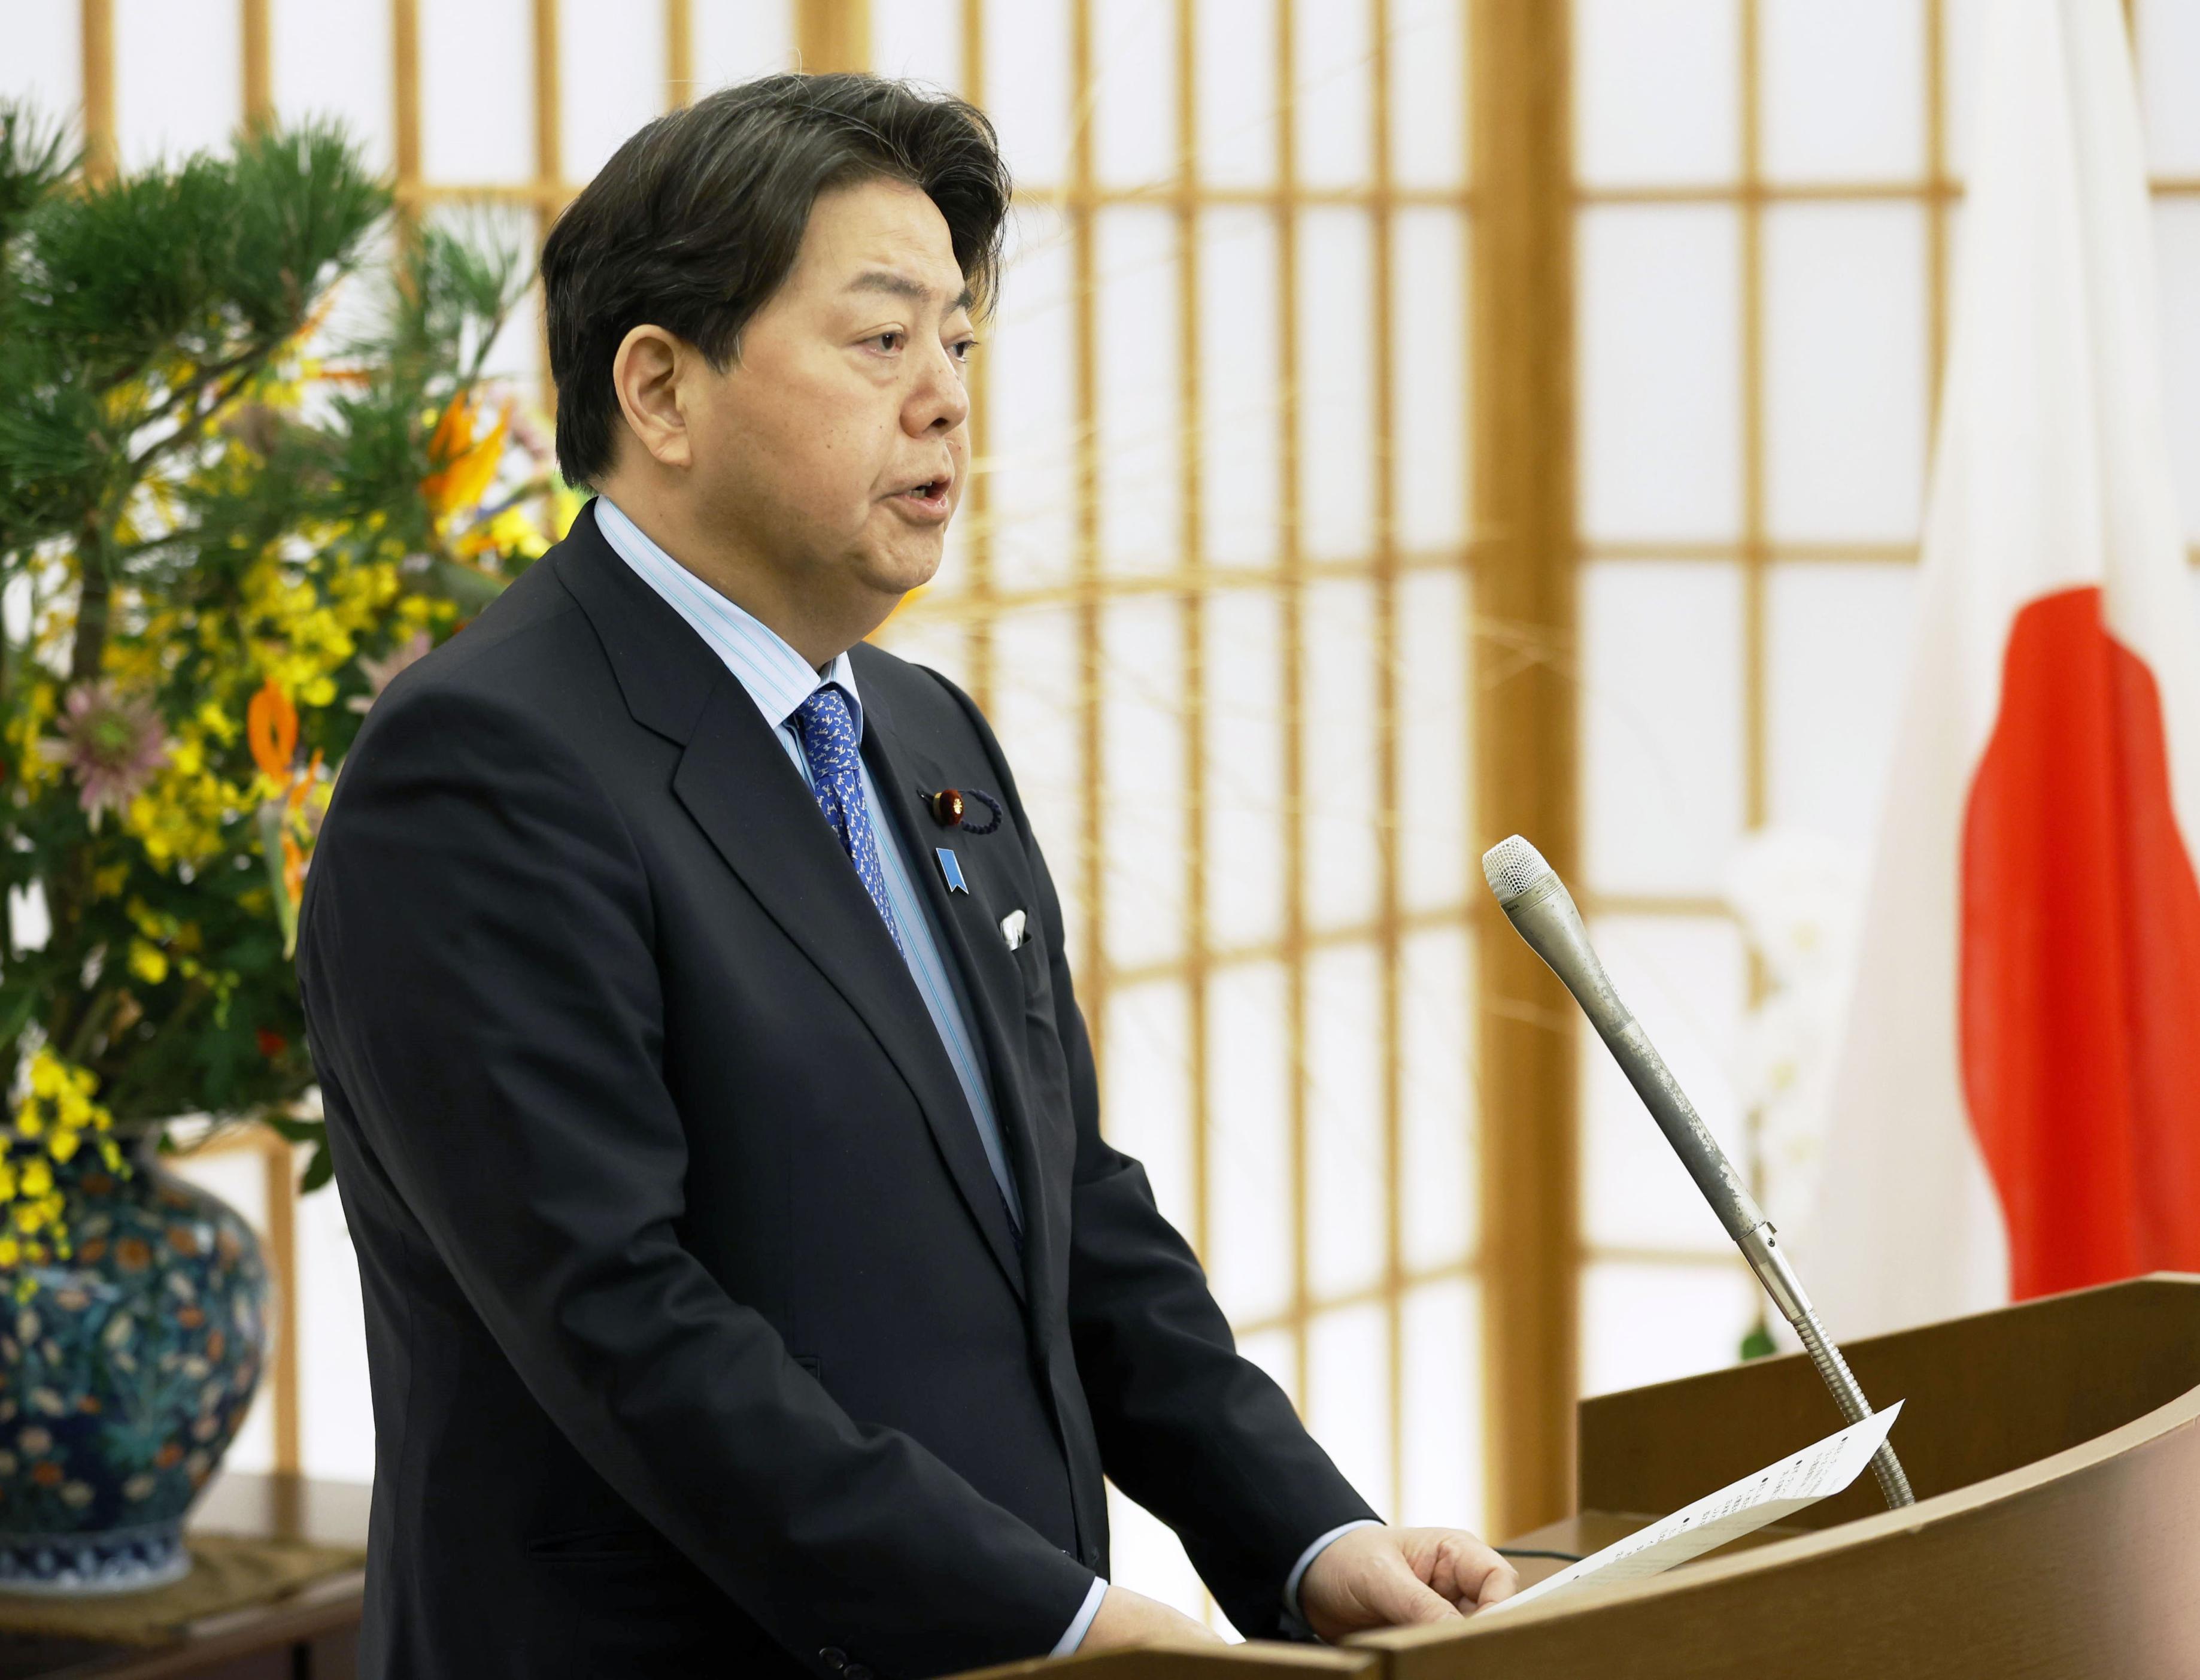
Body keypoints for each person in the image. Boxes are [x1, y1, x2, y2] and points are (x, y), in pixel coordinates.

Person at [295, 71, 1515, 1680]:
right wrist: (1064, 1624)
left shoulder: (916, 724)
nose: (943, 398)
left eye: (956, 342)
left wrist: (1303, 1538)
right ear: (658, 389)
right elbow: (624, 1325)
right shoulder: (480, 769)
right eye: (881, 342)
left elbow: (1065, 1208)